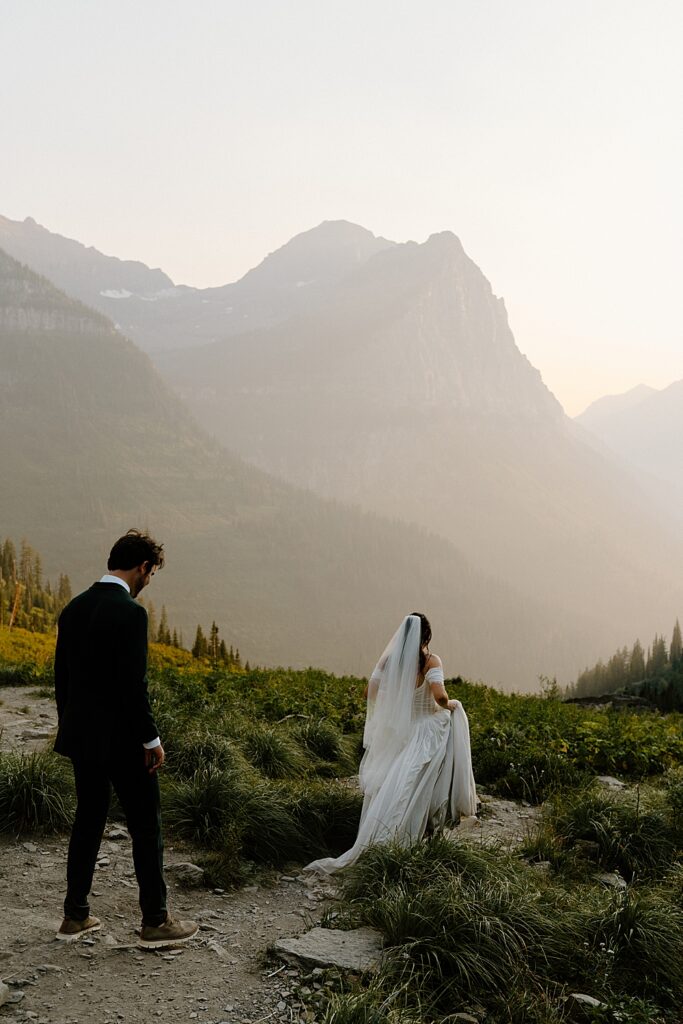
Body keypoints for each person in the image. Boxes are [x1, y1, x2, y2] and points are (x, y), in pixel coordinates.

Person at [53, 529, 198, 948]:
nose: (149, 580)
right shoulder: (131, 614)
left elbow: (62, 680)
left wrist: (71, 728)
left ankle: (75, 915)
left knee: (88, 819)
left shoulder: (73, 609)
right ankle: (155, 920)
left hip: (83, 738)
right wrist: (150, 740)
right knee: (146, 825)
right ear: (142, 567)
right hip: (123, 742)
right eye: (151, 573)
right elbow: (134, 685)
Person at [305, 613, 477, 874]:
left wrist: (395, 700)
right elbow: (440, 697)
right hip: (426, 729)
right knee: (425, 781)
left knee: (399, 784)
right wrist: (451, 704)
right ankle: (419, 835)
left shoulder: (389, 661)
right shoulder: (431, 661)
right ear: (426, 637)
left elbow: (369, 693)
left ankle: (385, 837)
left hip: (402, 731)